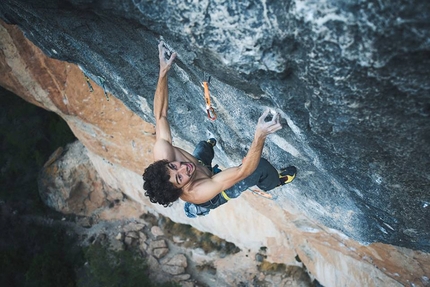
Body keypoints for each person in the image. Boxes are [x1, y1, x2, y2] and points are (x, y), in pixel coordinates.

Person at [142, 42, 297, 218]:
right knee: (258, 167)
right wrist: (260, 136)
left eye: (173, 165)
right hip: (213, 193)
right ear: (180, 189)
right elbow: (242, 171)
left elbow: (160, 115)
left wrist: (163, 70)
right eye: (179, 178)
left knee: (203, 148)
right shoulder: (199, 191)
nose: (182, 168)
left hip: (201, 169)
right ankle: (274, 183)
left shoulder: (164, 157)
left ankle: (207, 154)